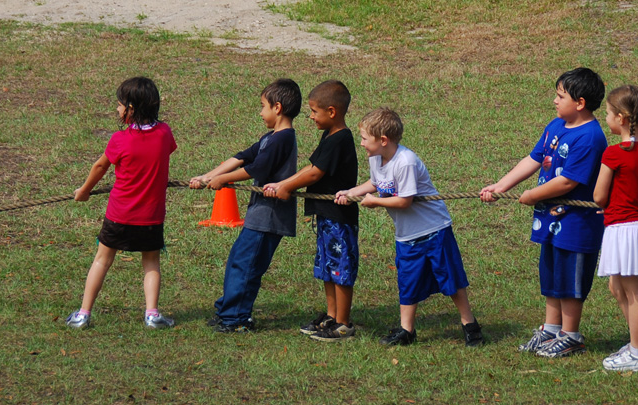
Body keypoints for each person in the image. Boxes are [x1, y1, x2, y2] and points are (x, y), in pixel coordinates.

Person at [480, 68, 608, 359]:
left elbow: (568, 181)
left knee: (571, 281)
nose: (554, 101)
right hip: (551, 220)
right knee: (551, 275)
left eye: (560, 96)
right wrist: (501, 185)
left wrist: (531, 196)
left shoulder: (590, 137)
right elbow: (535, 158)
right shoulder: (557, 124)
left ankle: (570, 334)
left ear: (580, 102)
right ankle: (551, 329)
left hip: (576, 224)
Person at [336, 108, 484, 347]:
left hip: (433, 230)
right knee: (408, 281)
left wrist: (375, 202)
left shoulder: (405, 162)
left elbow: (404, 201)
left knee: (451, 278)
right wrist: (351, 191)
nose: (361, 143)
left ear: (383, 140)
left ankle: (469, 324)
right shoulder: (376, 158)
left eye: (364, 138)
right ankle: (407, 330)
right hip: (406, 235)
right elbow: (376, 182)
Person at [189, 79, 300, 333]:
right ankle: (227, 310)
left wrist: (224, 179)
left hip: (269, 217)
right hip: (258, 215)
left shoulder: (283, 139)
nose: (260, 112)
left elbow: (256, 169)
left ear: (278, 108)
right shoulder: (270, 137)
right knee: (238, 261)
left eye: (263, 106)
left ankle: (236, 318)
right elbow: (241, 157)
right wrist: (208, 176)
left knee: (247, 265)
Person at [67, 76, 177, 330]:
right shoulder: (164, 133)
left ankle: (83, 314)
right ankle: (152, 315)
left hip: (119, 215)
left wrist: (84, 191)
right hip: (151, 216)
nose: (116, 110)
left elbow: (100, 166)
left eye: (119, 105)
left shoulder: (120, 140)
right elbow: (165, 150)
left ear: (131, 109)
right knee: (151, 262)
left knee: (102, 260)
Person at [263, 80, 360, 342]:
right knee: (328, 268)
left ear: (332, 112)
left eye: (315, 112)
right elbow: (312, 167)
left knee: (341, 270)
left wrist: (285, 186)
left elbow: (316, 173)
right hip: (326, 217)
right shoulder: (328, 135)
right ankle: (331, 315)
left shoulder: (341, 138)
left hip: (340, 218)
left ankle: (343, 323)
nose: (310, 116)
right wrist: (284, 184)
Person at [592, 85, 638, 373]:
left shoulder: (614, 154)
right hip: (635, 226)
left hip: (625, 228)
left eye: (607, 113)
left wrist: (614, 200)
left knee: (634, 292)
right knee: (616, 286)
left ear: (621, 118)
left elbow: (598, 196)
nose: (605, 118)